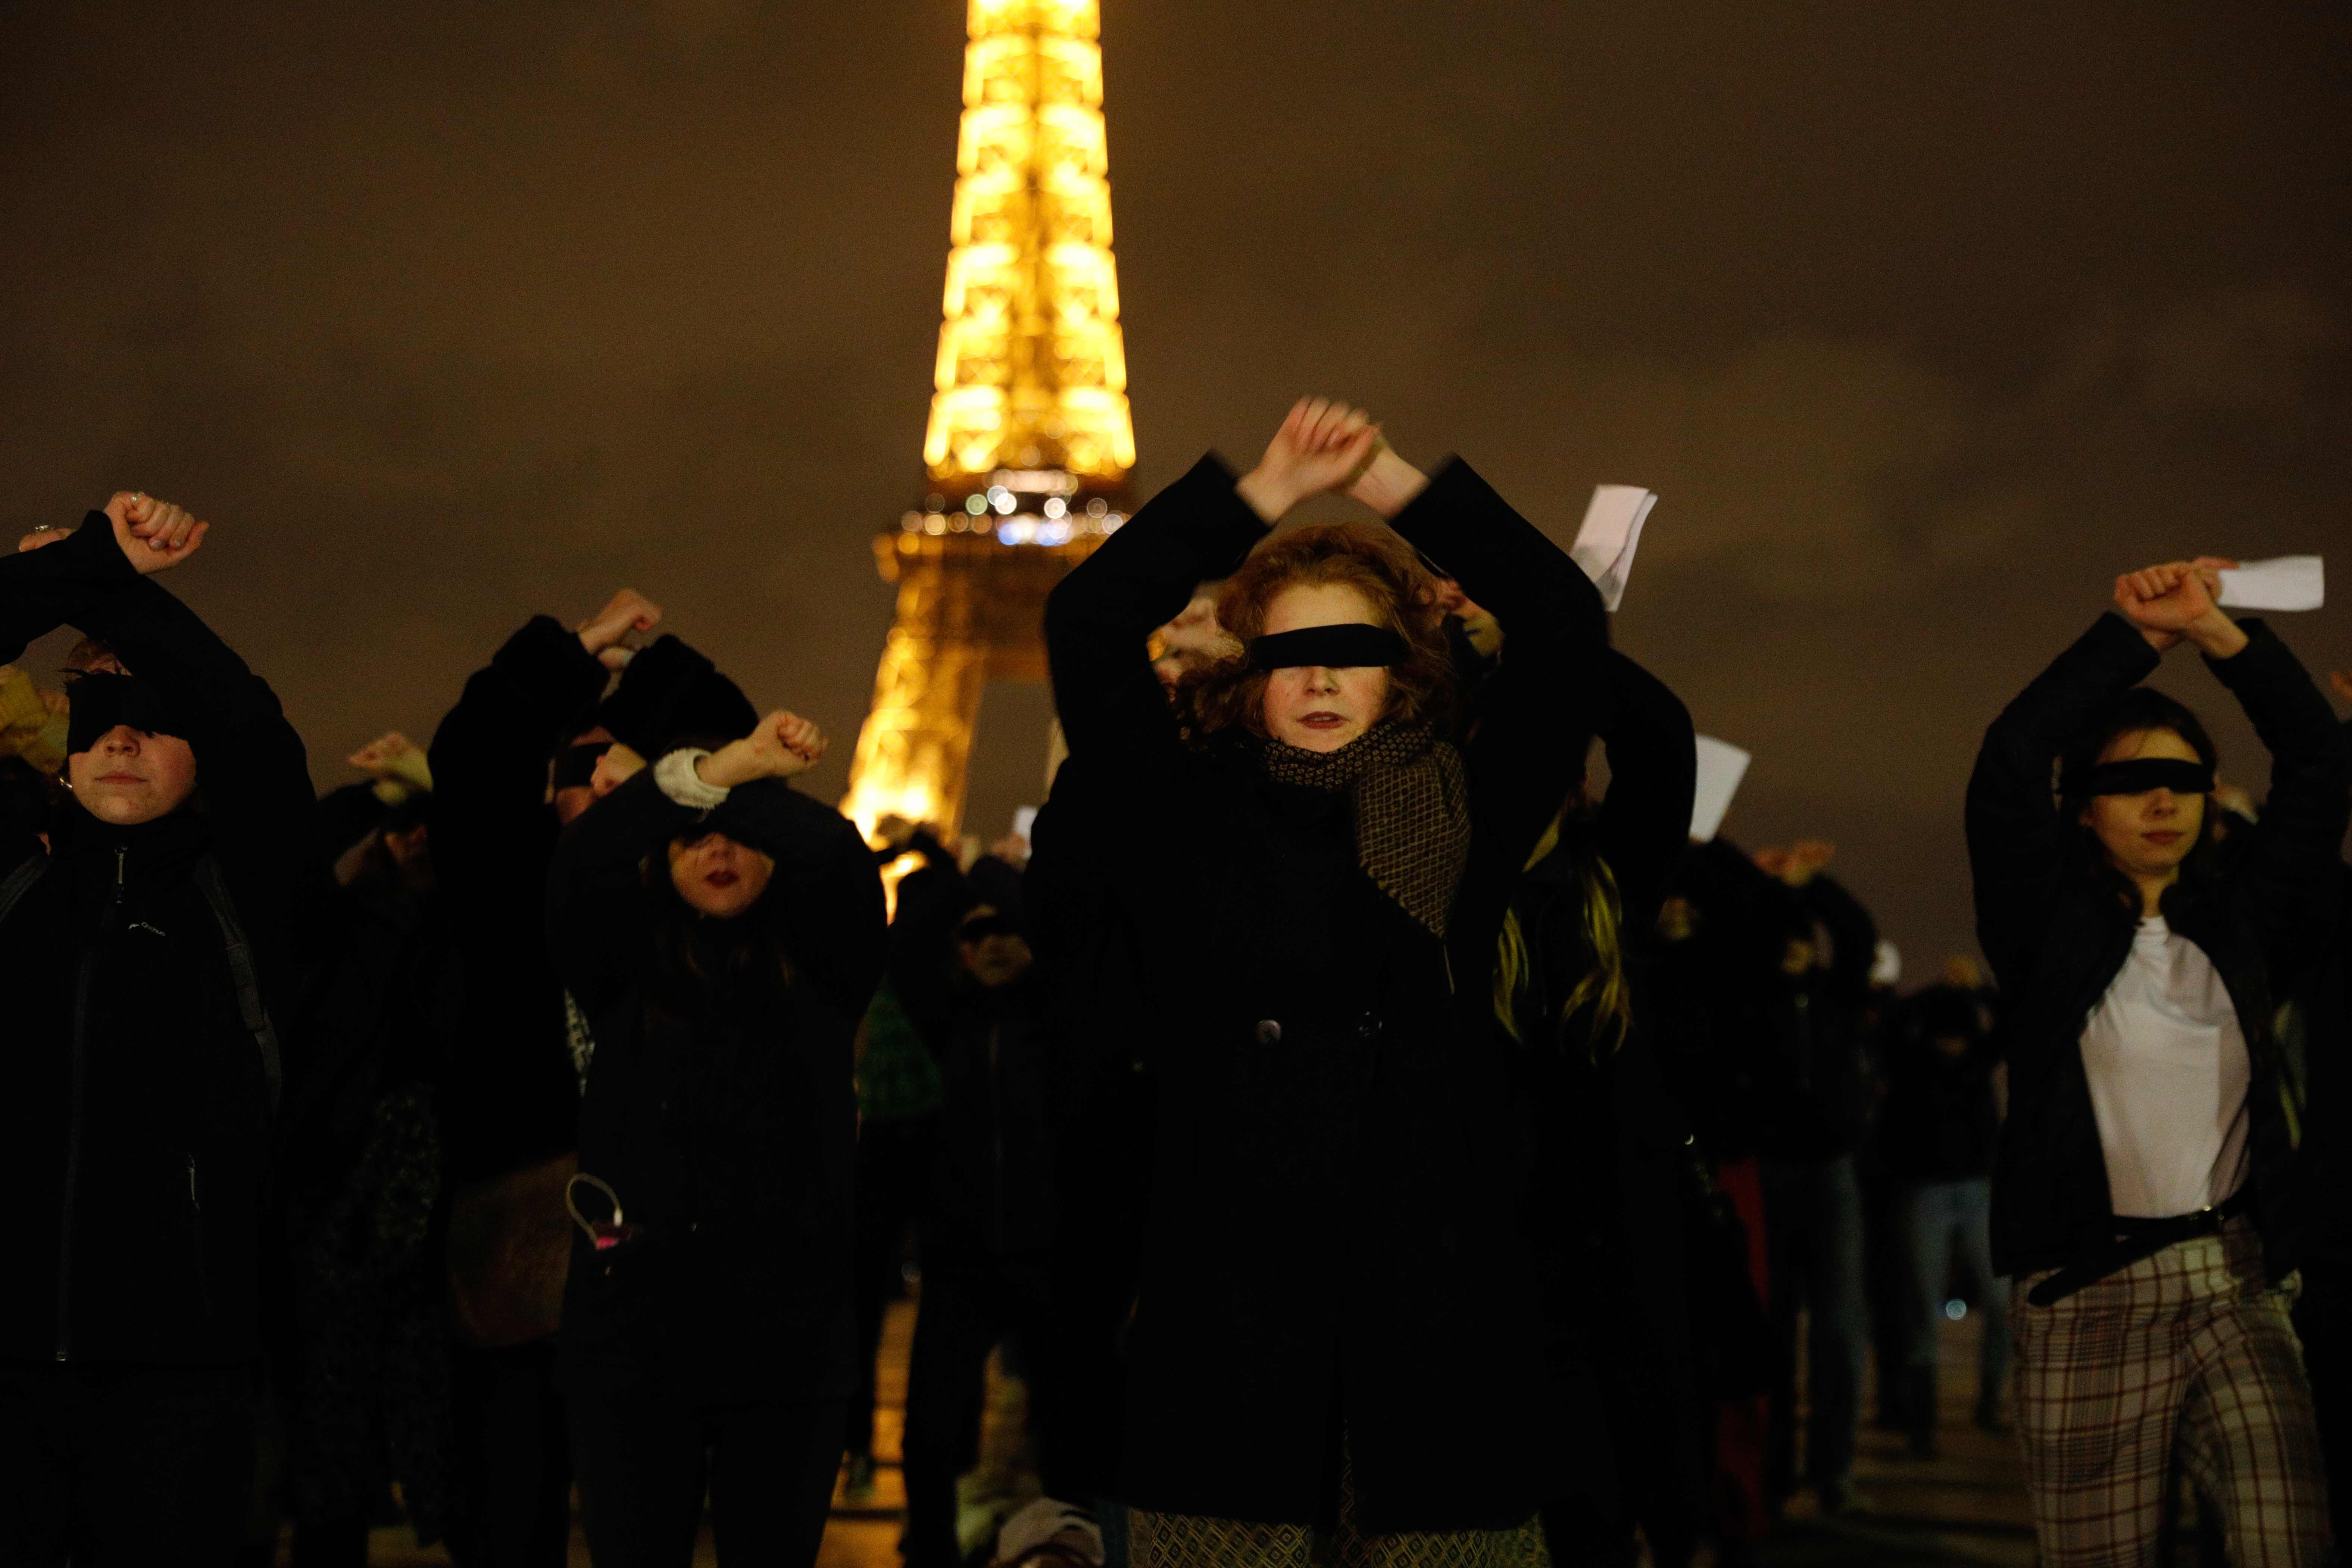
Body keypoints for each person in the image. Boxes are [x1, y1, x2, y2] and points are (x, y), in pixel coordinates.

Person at [1044, 397, 1609, 1564]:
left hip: (1437, 1315)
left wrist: (1396, 485)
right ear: (1248, 678)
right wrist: (1268, 489)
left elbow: (1562, 617)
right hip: (1232, 1311)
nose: (1320, 678)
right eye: (1290, 652)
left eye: (1353, 650)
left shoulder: (1469, 806)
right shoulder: (1181, 814)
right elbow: (1089, 615)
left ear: (1400, 675)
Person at [1968, 558, 2349, 1565]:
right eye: (2131, 781)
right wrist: (2134, 638)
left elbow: (2317, 762)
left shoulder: (2243, 919)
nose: (2161, 800)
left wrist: (2218, 634)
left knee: (2290, 1539)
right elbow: (2011, 756)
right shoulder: (2041, 928)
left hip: (2237, 1281)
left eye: (2182, 779)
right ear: (2083, 806)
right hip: (2087, 1294)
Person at [0, 494, 325, 1566]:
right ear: (63, 756)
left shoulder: (253, 896)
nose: (124, 739)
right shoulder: (15, 890)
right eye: (96, 723)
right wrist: (79, 568)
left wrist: (123, 595)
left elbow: (246, 720)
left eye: (150, 717)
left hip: (185, 1363)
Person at [547, 708, 885, 1567]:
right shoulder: (618, 971)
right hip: (635, 1342)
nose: (719, 851)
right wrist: (712, 769)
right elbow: (581, 860)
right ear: (658, 860)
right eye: (693, 838)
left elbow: (842, 859)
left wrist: (730, 784)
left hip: (786, 1348)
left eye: (739, 836)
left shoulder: (825, 970)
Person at [1489, 648, 1701, 1567]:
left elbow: (1658, 739)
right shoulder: (1430, 887)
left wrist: (1537, 629)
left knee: (1588, 1517)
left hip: (1597, 1273)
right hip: (1471, 1271)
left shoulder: (1611, 880)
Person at [1746, 840, 1878, 1516]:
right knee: (1770, 1333)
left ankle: (1834, 1470)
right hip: (1770, 1167)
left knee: (1838, 1331)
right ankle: (1774, 1470)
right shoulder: (1750, 997)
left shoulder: (1837, 994)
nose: (1797, 952)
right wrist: (1775, 891)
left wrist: (1814, 885)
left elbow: (1858, 933)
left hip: (1831, 1170)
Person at [1878, 957, 2008, 1457]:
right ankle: (1923, 1421)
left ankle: (1988, 1404)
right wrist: (1941, 988)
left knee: (2001, 1305)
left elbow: (2012, 1021)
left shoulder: (1978, 1059)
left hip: (1975, 1190)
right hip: (1926, 1191)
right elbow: (1890, 1022)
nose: (1952, 1046)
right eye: (1945, 1036)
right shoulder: (1910, 1061)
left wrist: (1978, 989)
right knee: (1920, 1311)